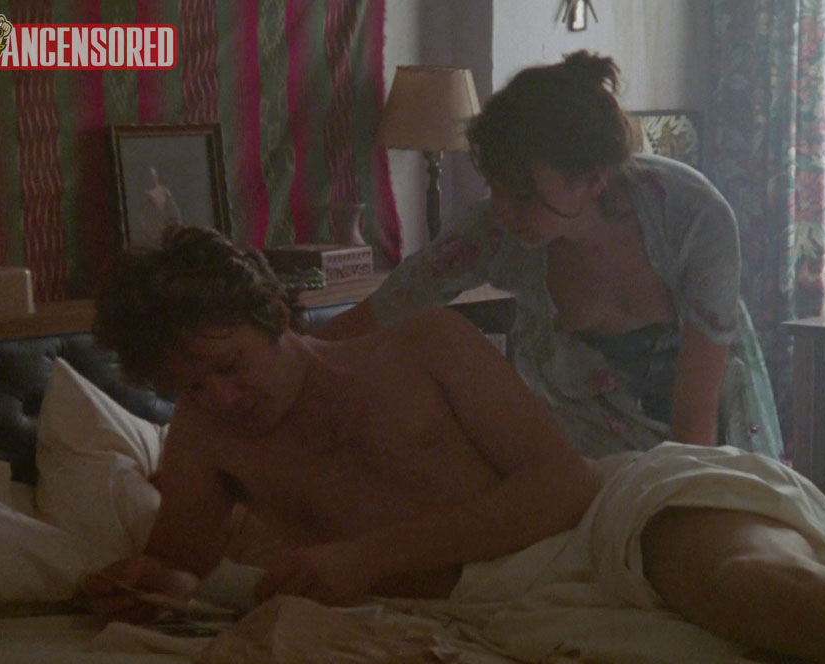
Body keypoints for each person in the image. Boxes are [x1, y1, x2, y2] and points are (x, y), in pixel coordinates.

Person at [83, 226, 825, 664]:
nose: (222, 397)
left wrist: (363, 557)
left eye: (230, 365)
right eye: (190, 386)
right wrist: (141, 579)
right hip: (494, 606)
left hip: (606, 515)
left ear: (272, 317)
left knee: (755, 588)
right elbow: (179, 564)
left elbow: (561, 487)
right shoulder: (206, 436)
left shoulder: (423, 344)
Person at [318, 51, 782, 459]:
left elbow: (696, 419)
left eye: (522, 195)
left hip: (711, 438)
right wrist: (300, 356)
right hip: (589, 452)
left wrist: (683, 501)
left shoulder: (694, 218)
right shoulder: (494, 230)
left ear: (594, 179)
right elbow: (390, 305)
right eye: (495, 186)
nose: (502, 211)